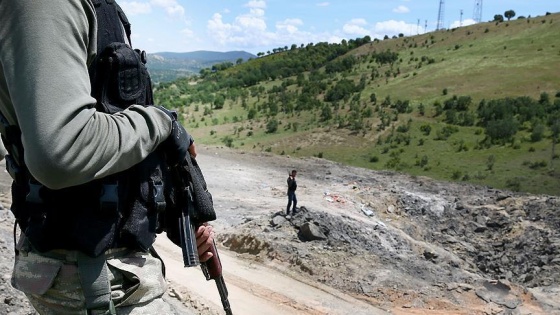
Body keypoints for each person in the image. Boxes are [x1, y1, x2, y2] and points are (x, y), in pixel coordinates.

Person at [0, 0, 213, 314]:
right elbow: (62, 150)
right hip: (91, 277)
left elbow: (109, 132)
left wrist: (171, 218)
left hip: (107, 268)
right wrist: (160, 122)